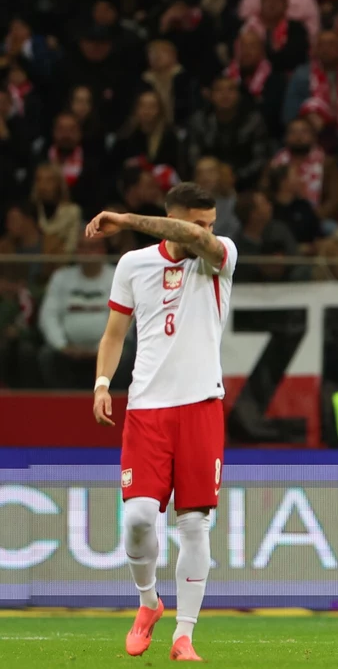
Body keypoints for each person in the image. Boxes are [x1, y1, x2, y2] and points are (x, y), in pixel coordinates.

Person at [87, 183, 238, 662]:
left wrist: (126, 219)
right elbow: (115, 333)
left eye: (212, 225)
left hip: (201, 406)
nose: (209, 234)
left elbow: (193, 238)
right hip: (148, 407)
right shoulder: (133, 265)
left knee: (194, 526)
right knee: (136, 518)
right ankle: (148, 601)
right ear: (176, 218)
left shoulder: (221, 256)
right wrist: (101, 382)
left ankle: (184, 635)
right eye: (200, 224)